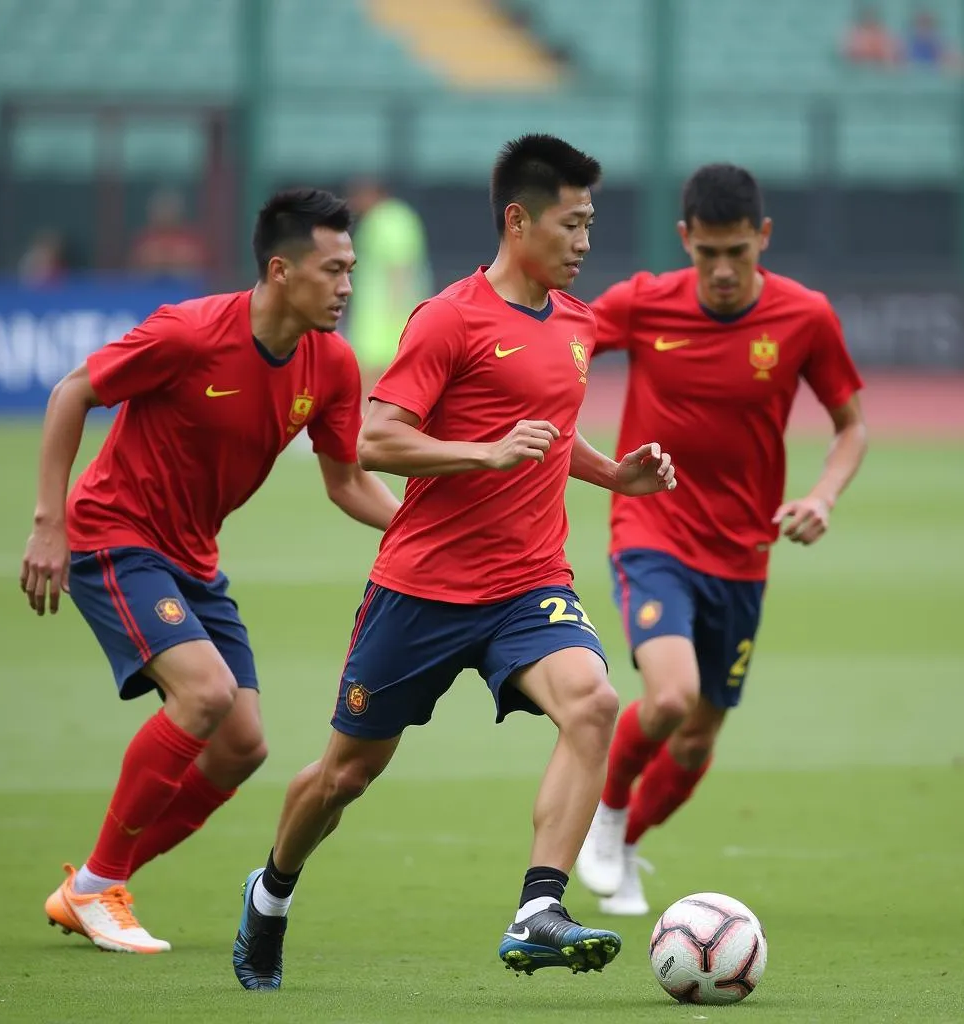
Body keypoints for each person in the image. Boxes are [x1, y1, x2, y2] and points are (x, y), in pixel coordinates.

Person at [230, 134, 677, 991]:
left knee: (593, 702)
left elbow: (545, 429)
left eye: (592, 223)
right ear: (519, 221)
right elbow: (377, 437)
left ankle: (537, 907)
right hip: (420, 590)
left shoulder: (578, 324)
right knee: (345, 775)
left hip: (528, 584)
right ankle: (272, 891)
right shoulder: (449, 318)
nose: (586, 242)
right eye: (572, 224)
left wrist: (612, 472)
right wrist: (487, 453)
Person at [21, 188, 400, 954]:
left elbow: (346, 479)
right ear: (280, 270)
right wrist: (49, 522)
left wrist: (428, 529)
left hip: (193, 558)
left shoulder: (331, 364)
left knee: (242, 744)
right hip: (112, 535)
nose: (348, 286)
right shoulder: (190, 332)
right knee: (205, 694)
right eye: (333, 270)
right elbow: (74, 392)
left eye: (352, 269)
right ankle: (98, 888)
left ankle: (96, 883)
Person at [575, 163, 868, 915]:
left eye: (739, 250)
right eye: (709, 254)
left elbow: (850, 426)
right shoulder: (643, 302)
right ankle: (604, 817)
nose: (725, 270)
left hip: (743, 554)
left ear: (763, 237)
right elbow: (564, 345)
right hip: (653, 529)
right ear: (685, 241)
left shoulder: (805, 317)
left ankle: (629, 842)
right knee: (671, 698)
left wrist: (823, 496)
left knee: (699, 736)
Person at [344, 178, 431, 373]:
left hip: (385, 317)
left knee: (377, 375)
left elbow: (400, 266)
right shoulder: (383, 218)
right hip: (375, 316)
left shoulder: (389, 220)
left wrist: (397, 310)